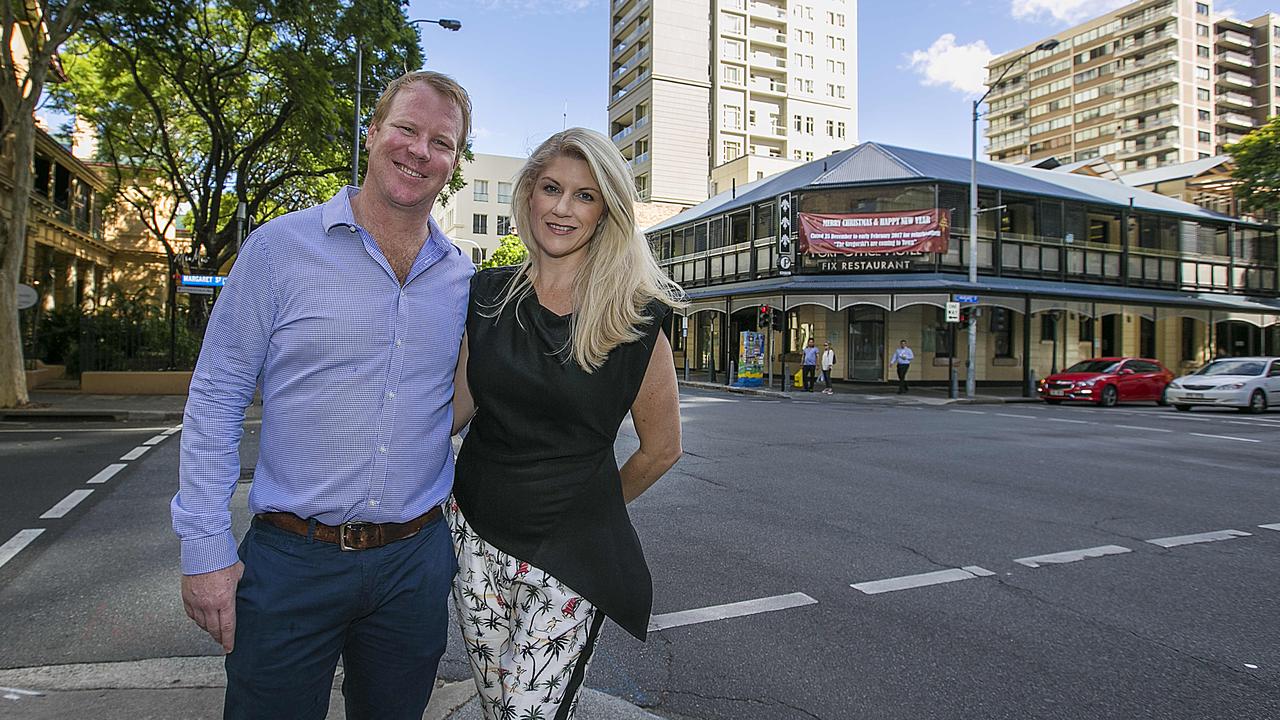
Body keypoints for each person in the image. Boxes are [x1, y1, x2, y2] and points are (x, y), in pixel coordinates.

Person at [171, 71, 474, 720]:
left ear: (454, 160)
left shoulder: (462, 280)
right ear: (371, 134)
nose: (420, 150)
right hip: (289, 563)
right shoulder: (279, 250)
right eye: (405, 130)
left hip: (413, 567)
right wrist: (205, 549)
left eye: (441, 142)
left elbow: (467, 402)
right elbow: (217, 398)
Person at [448, 127, 684, 720]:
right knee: (496, 701)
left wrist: (589, 506)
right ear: (529, 193)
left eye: (584, 195)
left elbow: (661, 450)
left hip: (571, 555)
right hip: (474, 538)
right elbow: (454, 412)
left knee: (526, 713)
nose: (562, 207)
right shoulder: (486, 295)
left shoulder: (635, 317)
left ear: (606, 211)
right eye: (552, 188)